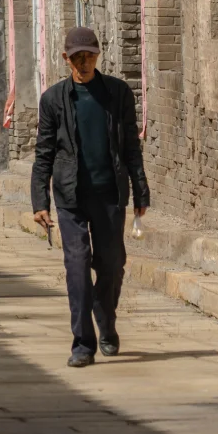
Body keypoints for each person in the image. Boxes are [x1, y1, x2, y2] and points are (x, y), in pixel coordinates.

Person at [31, 25, 150, 368]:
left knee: (111, 265)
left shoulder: (117, 93)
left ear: (98, 56)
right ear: (66, 58)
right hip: (70, 197)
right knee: (77, 266)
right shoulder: (53, 99)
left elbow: (131, 146)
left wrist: (141, 190)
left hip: (110, 194)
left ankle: (107, 322)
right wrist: (40, 201)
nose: (84, 63)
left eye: (90, 56)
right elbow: (44, 153)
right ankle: (83, 343)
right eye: (77, 57)